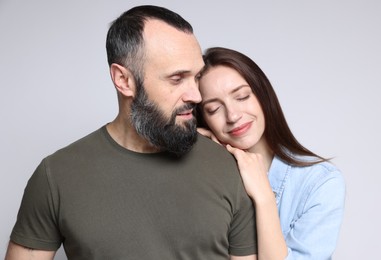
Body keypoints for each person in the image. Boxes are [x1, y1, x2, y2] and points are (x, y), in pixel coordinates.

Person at [5, 7, 257, 260]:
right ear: (124, 80)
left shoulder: (228, 167)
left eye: (197, 76)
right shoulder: (55, 176)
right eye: (177, 78)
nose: (196, 95)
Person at [197, 47, 345, 260]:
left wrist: (264, 197)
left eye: (242, 96)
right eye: (213, 109)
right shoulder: (204, 177)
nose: (233, 115)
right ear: (204, 119)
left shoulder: (320, 182)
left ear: (263, 95)